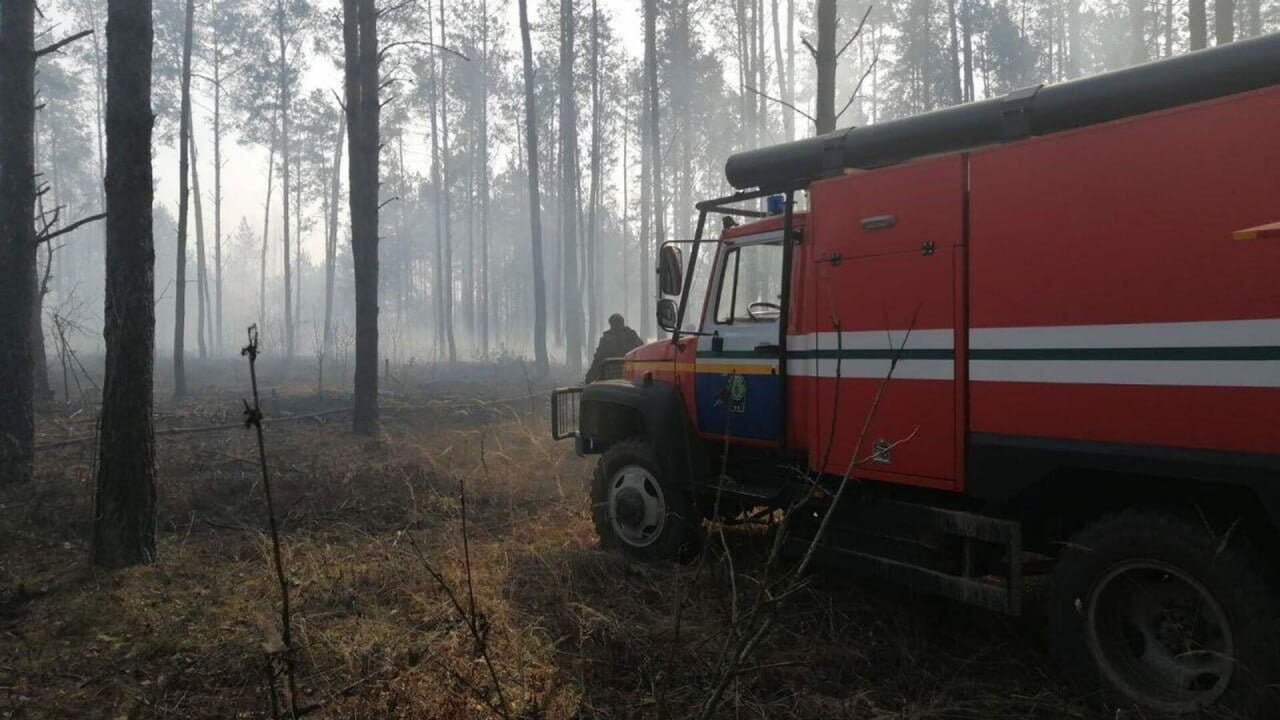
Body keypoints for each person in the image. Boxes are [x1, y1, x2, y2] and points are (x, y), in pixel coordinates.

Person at [586, 314, 644, 382]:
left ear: (611, 324)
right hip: (632, 376)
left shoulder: (607, 339)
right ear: (622, 322)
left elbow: (598, 360)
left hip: (611, 378)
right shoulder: (633, 336)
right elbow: (642, 353)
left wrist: (589, 378)